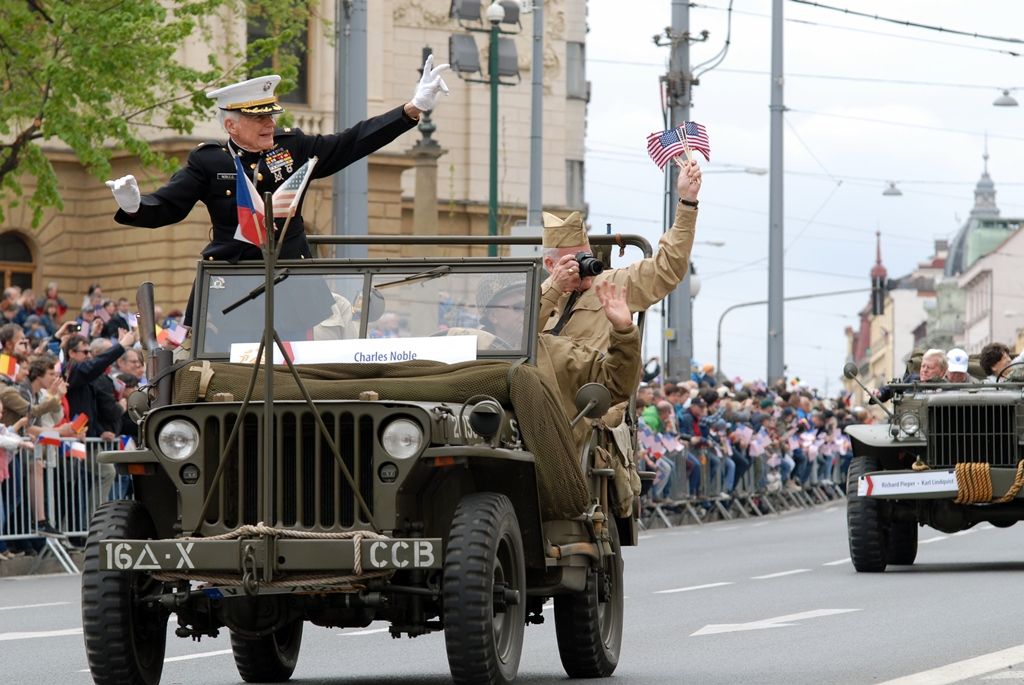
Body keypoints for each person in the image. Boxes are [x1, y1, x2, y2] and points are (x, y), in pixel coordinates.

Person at [106, 59, 452, 327]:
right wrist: (135, 205)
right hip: (234, 287)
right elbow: (169, 206)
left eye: (270, 114)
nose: (269, 123)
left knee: (292, 380)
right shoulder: (209, 161)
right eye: (258, 118)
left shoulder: (293, 147)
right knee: (224, 380)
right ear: (231, 125)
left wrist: (410, 110)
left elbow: (352, 141)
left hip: (292, 288)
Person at [538, 161, 702, 352]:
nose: (584, 265)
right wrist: (555, 287)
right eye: (574, 259)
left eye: (587, 256)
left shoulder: (611, 286)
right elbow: (515, 338)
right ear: (550, 264)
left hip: (594, 380)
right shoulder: (534, 296)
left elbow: (667, 267)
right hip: (541, 381)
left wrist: (687, 202)